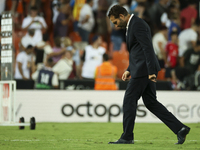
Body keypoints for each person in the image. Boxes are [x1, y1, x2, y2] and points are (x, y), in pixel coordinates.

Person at [107, 5, 190, 144]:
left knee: (129, 100)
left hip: (144, 70)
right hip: (142, 68)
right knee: (151, 102)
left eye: (115, 22)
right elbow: (137, 51)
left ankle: (127, 137)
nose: (115, 26)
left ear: (121, 16)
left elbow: (148, 48)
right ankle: (180, 128)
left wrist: (151, 72)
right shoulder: (133, 25)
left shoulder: (137, 24)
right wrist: (129, 69)